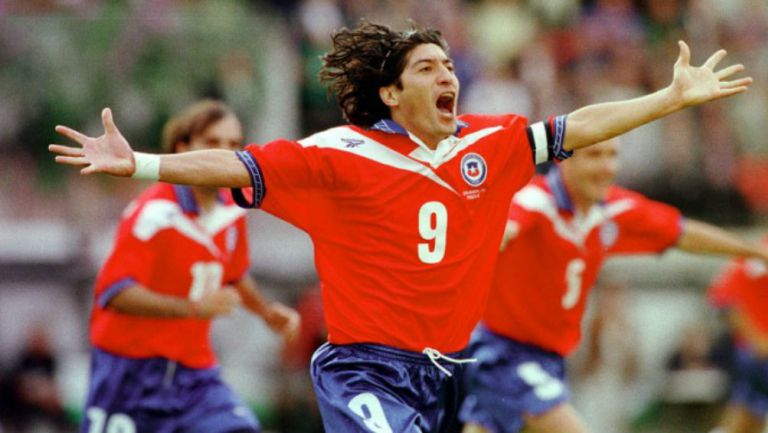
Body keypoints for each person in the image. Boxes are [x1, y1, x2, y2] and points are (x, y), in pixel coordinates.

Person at [49, 20, 751, 433]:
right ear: (391, 91)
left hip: (451, 371)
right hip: (367, 368)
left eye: (449, 65)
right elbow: (232, 163)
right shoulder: (341, 155)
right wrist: (139, 161)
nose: (447, 74)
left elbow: (574, 129)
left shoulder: (492, 144)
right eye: (426, 67)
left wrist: (669, 96)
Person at [458, 137, 768, 433]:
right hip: (503, 354)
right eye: (594, 155)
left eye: (612, 155)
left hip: (550, 358)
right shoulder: (535, 201)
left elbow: (681, 232)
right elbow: (503, 228)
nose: (606, 166)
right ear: (562, 160)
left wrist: (753, 251)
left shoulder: (613, 210)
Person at [73, 100, 300, 433]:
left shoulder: (233, 211)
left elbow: (234, 275)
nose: (226, 153)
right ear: (183, 148)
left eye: (234, 144)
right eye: (212, 142)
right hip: (130, 372)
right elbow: (115, 292)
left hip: (193, 371)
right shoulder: (153, 213)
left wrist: (266, 312)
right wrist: (194, 308)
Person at [707, 236, 768, 433]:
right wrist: (757, 340)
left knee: (752, 419)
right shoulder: (759, 253)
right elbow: (723, 298)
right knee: (744, 417)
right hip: (757, 356)